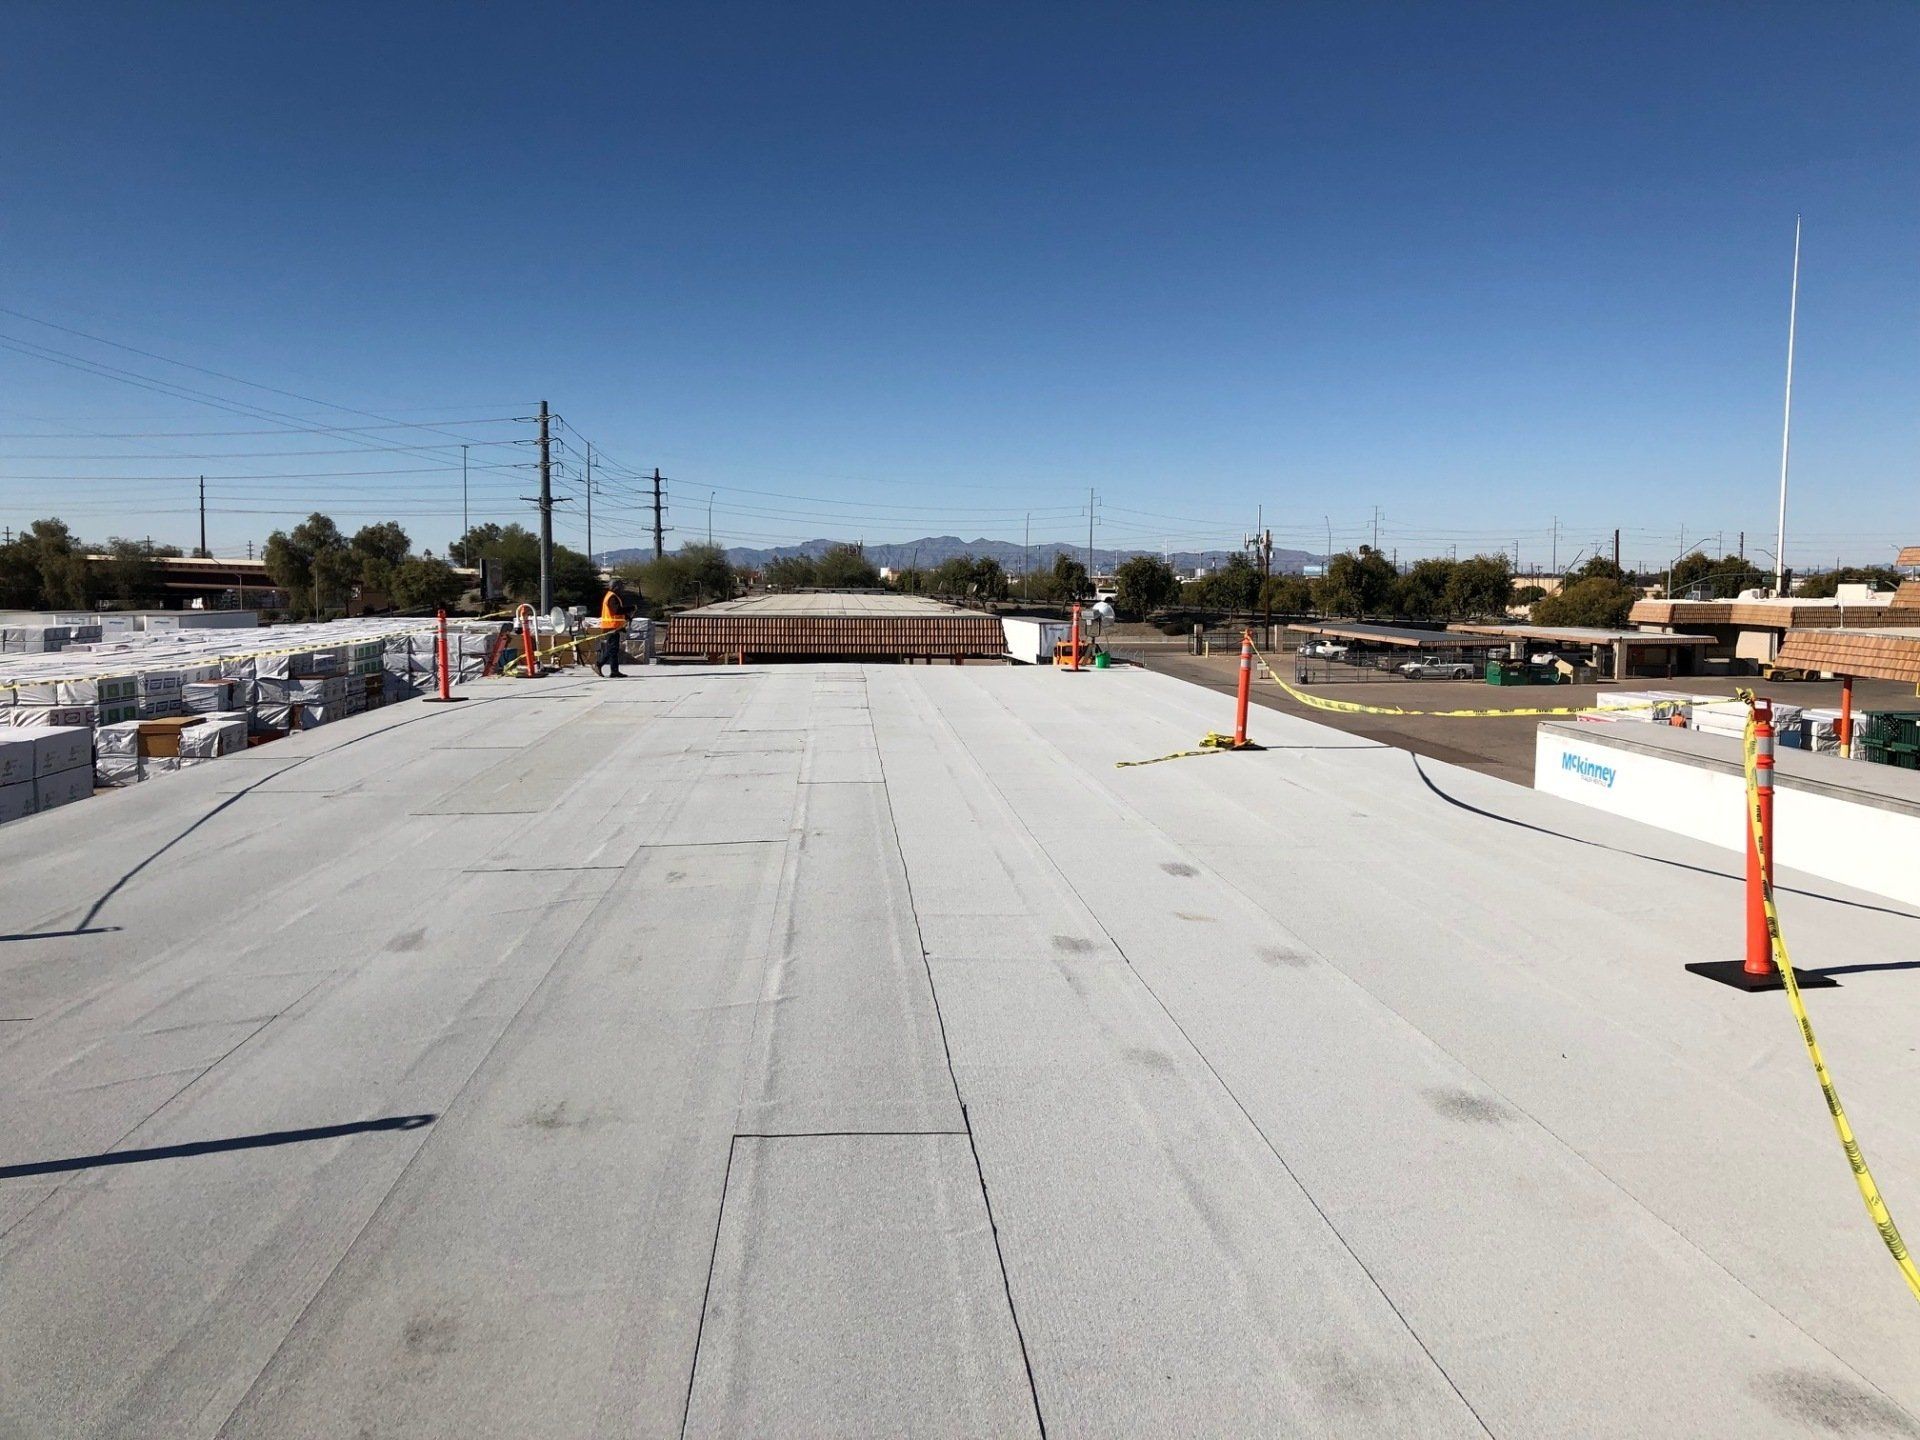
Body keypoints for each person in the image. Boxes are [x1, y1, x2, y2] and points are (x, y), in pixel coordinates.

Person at [595, 576, 634, 677]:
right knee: (612, 649)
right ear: (615, 587)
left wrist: (626, 617)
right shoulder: (612, 597)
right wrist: (631, 608)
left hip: (614, 627)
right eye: (620, 586)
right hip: (611, 627)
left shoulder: (612, 596)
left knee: (613, 649)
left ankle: (614, 671)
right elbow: (616, 610)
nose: (622, 589)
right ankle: (599, 664)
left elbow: (617, 612)